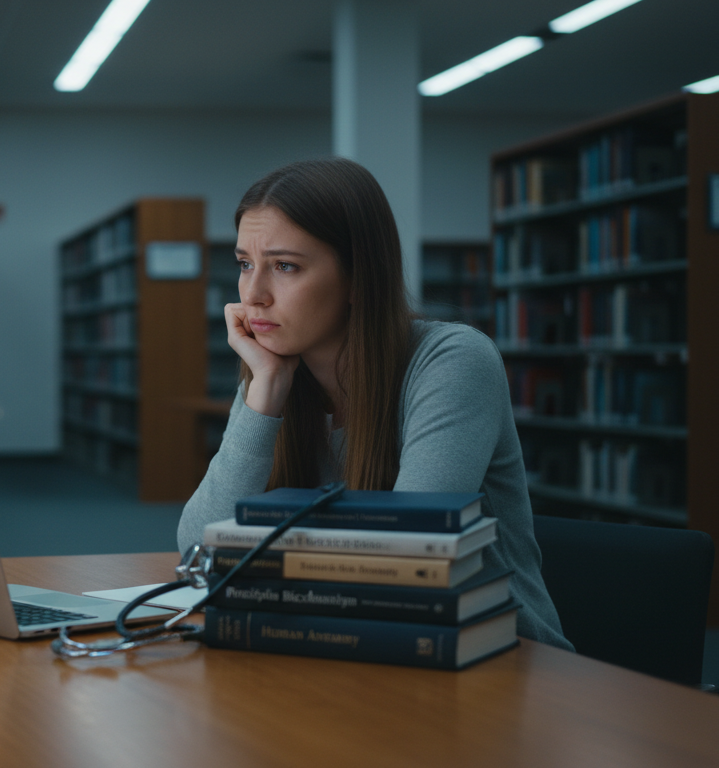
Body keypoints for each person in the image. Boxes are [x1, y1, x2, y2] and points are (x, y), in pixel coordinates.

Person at [177, 157, 572, 649]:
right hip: (337, 643)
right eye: (244, 264)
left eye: (285, 266)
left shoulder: (452, 360)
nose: (253, 294)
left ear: (359, 277)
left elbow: (410, 557)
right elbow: (196, 548)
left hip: (492, 656)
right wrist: (264, 398)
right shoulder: (273, 370)